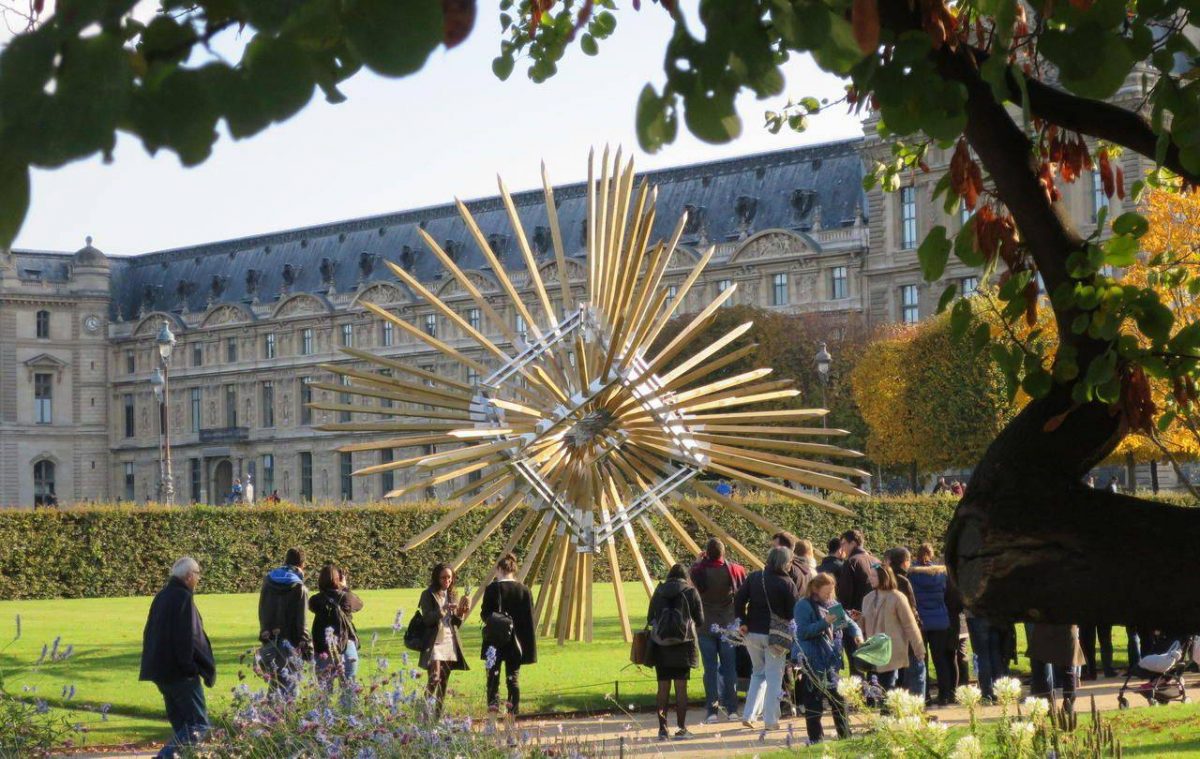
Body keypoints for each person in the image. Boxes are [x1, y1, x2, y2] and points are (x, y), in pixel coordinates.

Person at [139, 557, 215, 758]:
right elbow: (188, 637)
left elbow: (150, 632)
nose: (198, 578)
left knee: (182, 725)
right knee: (198, 724)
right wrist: (192, 667)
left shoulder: (162, 596)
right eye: (197, 574)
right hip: (179, 672)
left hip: (160, 670)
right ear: (189, 576)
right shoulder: (183, 598)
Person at [793, 573, 862, 745]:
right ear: (815, 589)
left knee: (839, 699)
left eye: (831, 592)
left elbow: (849, 623)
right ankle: (816, 738)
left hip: (831, 659)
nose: (829, 596)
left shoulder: (833, 604)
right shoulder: (803, 605)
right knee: (813, 700)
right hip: (812, 658)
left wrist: (857, 635)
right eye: (826, 592)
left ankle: (845, 735)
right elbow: (803, 632)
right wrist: (825, 622)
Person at [734, 546, 796, 730]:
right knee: (774, 677)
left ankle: (749, 714)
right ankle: (770, 720)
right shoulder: (787, 583)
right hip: (776, 635)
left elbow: (738, 600)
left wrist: (742, 621)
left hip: (752, 632)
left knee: (758, 673)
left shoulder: (755, 577)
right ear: (785, 563)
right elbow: (793, 613)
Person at [690, 538, 746, 723]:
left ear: (706, 552)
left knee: (710, 669)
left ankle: (712, 711)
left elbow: (692, 580)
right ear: (724, 552)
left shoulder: (699, 571)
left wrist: (698, 561)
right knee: (730, 669)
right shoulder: (735, 570)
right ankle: (732, 709)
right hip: (728, 624)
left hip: (705, 624)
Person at [646, 563, 705, 740]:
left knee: (663, 688)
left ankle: (662, 730)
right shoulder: (690, 591)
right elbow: (700, 620)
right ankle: (681, 728)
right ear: (686, 577)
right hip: (683, 645)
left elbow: (650, 618)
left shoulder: (659, 591)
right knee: (681, 688)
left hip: (661, 644)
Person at [480, 553, 536, 716]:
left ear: (499, 569)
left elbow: (485, 615)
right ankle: (511, 720)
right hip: (516, 643)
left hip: (495, 641)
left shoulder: (492, 589)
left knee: (492, 680)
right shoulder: (524, 590)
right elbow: (529, 619)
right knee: (513, 680)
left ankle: (491, 721)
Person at [855, 564, 923, 691]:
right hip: (873, 650)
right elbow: (863, 624)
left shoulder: (897, 597)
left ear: (884, 577)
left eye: (874, 575)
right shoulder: (867, 598)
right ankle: (887, 708)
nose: (870, 578)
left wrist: (918, 649)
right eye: (870, 575)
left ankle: (889, 709)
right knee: (878, 687)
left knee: (888, 685)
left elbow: (909, 624)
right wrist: (857, 622)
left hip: (891, 650)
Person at [258, 547, 311, 699]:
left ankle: (269, 717)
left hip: (271, 638)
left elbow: (262, 609)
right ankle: (286, 719)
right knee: (291, 684)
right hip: (291, 642)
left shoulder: (268, 581)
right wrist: (306, 644)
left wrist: (264, 635)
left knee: (275, 683)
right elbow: (302, 622)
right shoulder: (299, 587)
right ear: (302, 564)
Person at [418, 562, 470, 717]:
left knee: (444, 682)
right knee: (434, 678)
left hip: (449, 640)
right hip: (434, 642)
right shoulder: (427, 594)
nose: (447, 581)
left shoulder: (453, 594)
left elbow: (456, 623)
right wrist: (443, 610)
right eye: (443, 578)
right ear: (437, 578)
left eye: (449, 577)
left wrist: (461, 613)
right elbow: (427, 619)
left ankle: (437, 718)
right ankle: (424, 715)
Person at [907, 544, 956, 706]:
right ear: (932, 554)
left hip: (920, 622)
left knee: (922, 659)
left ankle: (925, 695)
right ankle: (945, 695)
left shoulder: (911, 575)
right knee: (940, 659)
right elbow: (948, 596)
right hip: (940, 620)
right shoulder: (941, 574)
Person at [309, 563, 363, 708]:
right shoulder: (345, 598)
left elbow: (312, 606)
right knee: (349, 691)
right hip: (346, 647)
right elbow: (359, 604)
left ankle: (323, 725)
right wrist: (344, 587)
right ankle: (348, 723)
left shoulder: (316, 600)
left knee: (324, 693)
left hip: (323, 650)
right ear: (339, 579)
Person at [885, 547, 927, 698]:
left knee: (896, 673)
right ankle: (916, 705)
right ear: (906, 562)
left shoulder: (885, 580)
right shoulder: (903, 580)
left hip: (891, 631)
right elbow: (911, 608)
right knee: (917, 670)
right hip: (906, 631)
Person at [836, 530, 876, 673]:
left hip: (855, 616)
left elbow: (845, 594)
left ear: (853, 543)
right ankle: (874, 692)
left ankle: (858, 693)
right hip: (875, 616)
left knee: (856, 662)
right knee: (873, 660)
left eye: (844, 544)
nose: (842, 548)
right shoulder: (875, 560)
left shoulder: (851, 562)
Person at [1027, 623, 1084, 711]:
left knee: (1042, 662)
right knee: (1067, 665)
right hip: (1062, 624)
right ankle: (1066, 706)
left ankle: (1048, 707)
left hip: (1045, 624)